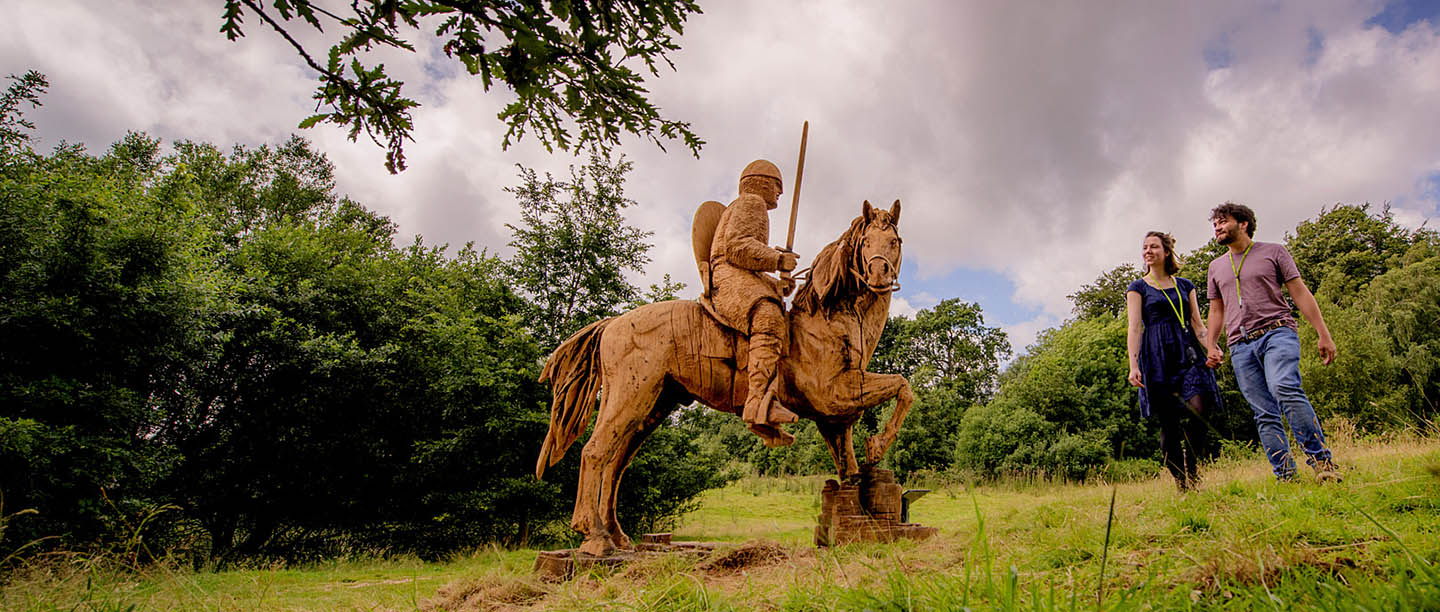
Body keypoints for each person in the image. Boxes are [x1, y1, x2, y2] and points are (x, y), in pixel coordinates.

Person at [1204, 202, 1342, 483]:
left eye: (1223, 221)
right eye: (1215, 223)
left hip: (1277, 333)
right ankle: (1286, 476)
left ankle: (1322, 463)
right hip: (1240, 345)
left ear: (1243, 224)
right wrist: (1211, 345)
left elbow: (1300, 293)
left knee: (1284, 387)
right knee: (1263, 412)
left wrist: (1323, 333)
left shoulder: (1274, 252)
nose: (1217, 226)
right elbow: (1216, 310)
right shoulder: (1216, 267)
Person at [707, 160, 801, 446]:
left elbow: (750, 265)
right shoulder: (751, 202)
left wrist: (778, 284)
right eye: (777, 186)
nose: (780, 194)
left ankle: (770, 398)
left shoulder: (750, 205)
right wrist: (777, 259)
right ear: (760, 182)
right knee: (768, 316)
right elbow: (736, 248)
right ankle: (757, 403)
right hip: (726, 273)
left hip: (739, 273)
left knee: (774, 304)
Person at [1126, 231, 1224, 491]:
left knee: (1199, 410)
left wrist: (1212, 348)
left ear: (1166, 252)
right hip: (1156, 357)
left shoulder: (1185, 285)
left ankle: (1192, 468)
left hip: (1187, 351)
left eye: (1154, 246)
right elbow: (1135, 328)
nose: (1148, 251)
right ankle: (1182, 481)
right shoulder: (1137, 288)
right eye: (1144, 247)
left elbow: (1198, 324)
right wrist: (1133, 365)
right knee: (1169, 423)